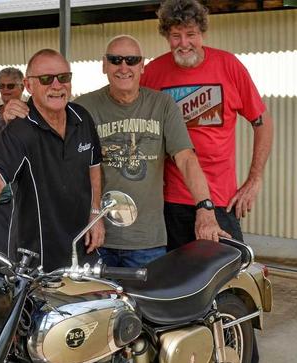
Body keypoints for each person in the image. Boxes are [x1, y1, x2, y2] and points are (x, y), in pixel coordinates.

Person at [72, 35, 228, 268]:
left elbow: (185, 158)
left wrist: (205, 208)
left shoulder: (162, 105)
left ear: (142, 65)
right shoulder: (83, 107)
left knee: (149, 304)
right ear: (104, 64)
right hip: (94, 236)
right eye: (115, 60)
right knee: (96, 304)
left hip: (146, 240)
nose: (123, 67)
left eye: (131, 60)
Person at [141, 0, 274, 249]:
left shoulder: (228, 66)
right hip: (170, 202)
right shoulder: (152, 73)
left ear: (201, 33)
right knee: (176, 281)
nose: (184, 43)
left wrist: (254, 179)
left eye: (190, 34)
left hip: (221, 199)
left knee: (227, 278)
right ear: (166, 36)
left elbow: (263, 121)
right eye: (175, 36)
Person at [0, 49, 104, 271]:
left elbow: (94, 167)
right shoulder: (19, 129)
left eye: (64, 77)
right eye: (46, 79)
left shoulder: (82, 117)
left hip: (84, 249)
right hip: (36, 258)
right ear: (28, 85)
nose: (56, 85)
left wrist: (96, 215)